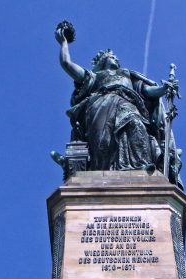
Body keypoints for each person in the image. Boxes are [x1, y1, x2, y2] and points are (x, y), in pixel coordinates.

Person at [55, 24, 179, 172]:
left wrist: (164, 89)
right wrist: (63, 43)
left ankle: (140, 165)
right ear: (102, 61)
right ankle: (101, 171)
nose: (116, 58)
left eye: (116, 57)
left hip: (128, 104)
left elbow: (147, 91)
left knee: (135, 124)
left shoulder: (126, 74)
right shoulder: (94, 77)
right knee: (103, 141)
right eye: (111, 56)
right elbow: (67, 64)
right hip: (100, 106)